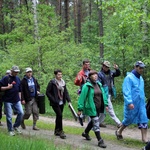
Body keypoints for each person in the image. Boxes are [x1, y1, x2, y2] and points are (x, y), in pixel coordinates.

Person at [115, 61, 148, 143]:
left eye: (142, 68)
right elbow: (126, 91)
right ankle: (119, 131)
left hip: (141, 103)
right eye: (140, 68)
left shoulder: (140, 78)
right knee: (128, 119)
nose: (141, 69)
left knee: (144, 118)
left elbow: (141, 91)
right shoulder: (129, 78)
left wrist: (144, 100)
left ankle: (144, 139)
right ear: (135, 67)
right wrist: (129, 102)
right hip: (132, 103)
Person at [77, 70, 108, 148]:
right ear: (90, 77)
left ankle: (85, 133)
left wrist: (106, 104)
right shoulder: (86, 86)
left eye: (96, 75)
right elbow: (82, 97)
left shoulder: (99, 84)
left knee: (94, 121)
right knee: (96, 122)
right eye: (93, 75)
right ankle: (100, 140)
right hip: (91, 107)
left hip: (98, 107)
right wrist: (80, 108)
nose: (95, 76)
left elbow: (103, 95)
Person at [46, 69, 71, 139]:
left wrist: (68, 100)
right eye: (58, 74)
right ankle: (61, 131)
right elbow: (47, 92)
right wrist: (53, 100)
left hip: (61, 101)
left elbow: (65, 92)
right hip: (55, 103)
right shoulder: (52, 82)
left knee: (58, 116)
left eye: (61, 74)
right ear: (55, 75)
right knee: (60, 115)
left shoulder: (63, 82)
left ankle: (56, 131)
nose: (60, 76)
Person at [0, 66, 24, 136]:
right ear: (11, 71)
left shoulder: (18, 78)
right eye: (15, 72)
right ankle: (10, 130)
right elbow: (0, 88)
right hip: (8, 100)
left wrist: (20, 99)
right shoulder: (6, 78)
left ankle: (16, 126)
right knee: (9, 116)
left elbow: (19, 90)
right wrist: (7, 87)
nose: (16, 73)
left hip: (16, 100)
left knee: (21, 113)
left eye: (17, 72)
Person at [98, 61, 122, 128]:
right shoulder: (99, 74)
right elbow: (99, 84)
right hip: (104, 94)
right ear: (103, 66)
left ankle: (98, 122)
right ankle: (118, 123)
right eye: (105, 66)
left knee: (103, 109)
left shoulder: (111, 73)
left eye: (108, 67)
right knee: (110, 108)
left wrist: (117, 69)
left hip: (110, 92)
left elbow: (118, 74)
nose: (106, 68)